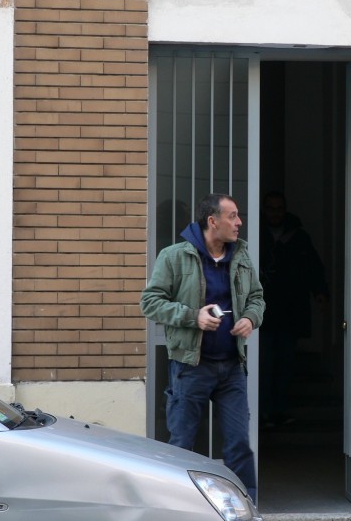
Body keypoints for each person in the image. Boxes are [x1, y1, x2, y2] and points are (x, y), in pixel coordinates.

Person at [140, 193, 265, 501]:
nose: (239, 222)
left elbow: (257, 298)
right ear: (213, 221)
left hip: (232, 367)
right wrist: (193, 316)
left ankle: (246, 506)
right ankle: (176, 506)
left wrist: (250, 318)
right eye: (232, 216)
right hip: (190, 366)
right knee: (182, 444)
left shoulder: (242, 255)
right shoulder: (174, 256)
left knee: (238, 444)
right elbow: (150, 303)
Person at [259, 191, 329, 427]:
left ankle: (279, 411)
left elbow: (314, 268)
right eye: (270, 208)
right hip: (262, 313)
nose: (275, 213)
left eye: (279, 208)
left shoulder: (299, 237)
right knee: (264, 364)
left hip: (290, 312)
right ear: (264, 210)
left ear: (285, 210)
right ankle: (263, 412)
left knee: (285, 365)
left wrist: (320, 294)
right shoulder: (256, 234)